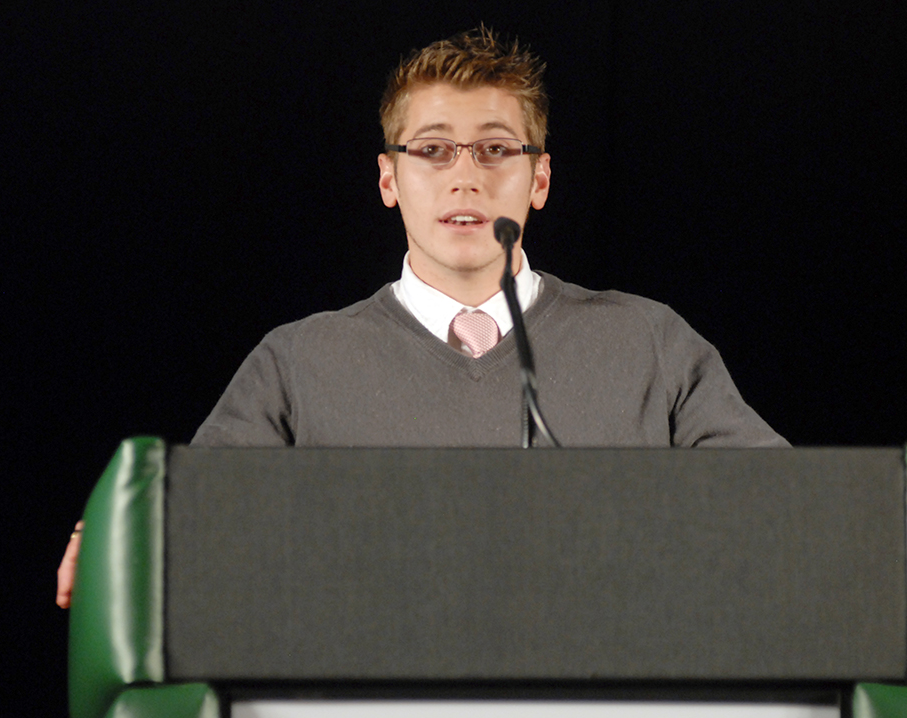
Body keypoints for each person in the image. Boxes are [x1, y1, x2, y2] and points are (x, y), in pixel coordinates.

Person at [57, 27, 787, 608]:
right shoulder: (296, 363)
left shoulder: (651, 344)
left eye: (497, 149)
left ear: (540, 179)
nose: (465, 174)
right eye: (432, 150)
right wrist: (117, 533)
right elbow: (192, 520)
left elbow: (786, 514)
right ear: (388, 178)